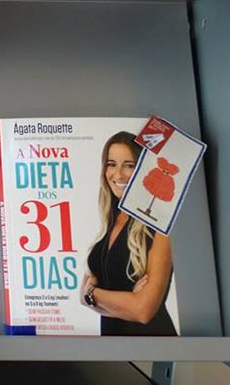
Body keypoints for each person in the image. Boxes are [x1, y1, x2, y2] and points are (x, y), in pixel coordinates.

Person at [81, 131, 177, 336]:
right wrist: (126, 301)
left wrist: (93, 294)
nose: (118, 175)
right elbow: (82, 297)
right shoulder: (110, 221)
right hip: (113, 347)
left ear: (143, 169)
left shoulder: (160, 225)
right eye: (111, 164)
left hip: (154, 345)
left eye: (129, 165)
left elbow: (142, 311)